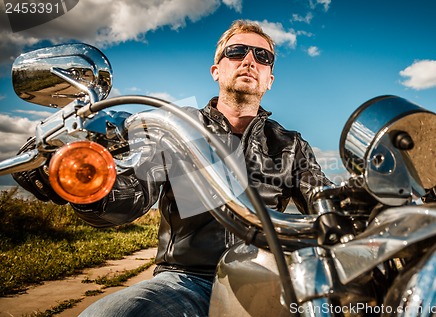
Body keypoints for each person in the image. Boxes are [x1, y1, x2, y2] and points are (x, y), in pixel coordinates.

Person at [13, 20, 332, 316]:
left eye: (262, 56)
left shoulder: (290, 144)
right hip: (187, 279)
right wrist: (86, 180)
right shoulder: (176, 127)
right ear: (216, 70)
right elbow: (133, 193)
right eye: (236, 52)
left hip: (269, 276)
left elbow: (325, 196)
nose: (250, 60)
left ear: (270, 80)